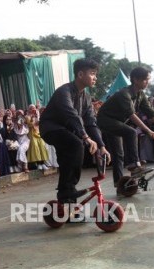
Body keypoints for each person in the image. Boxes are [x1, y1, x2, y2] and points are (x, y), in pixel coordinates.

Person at [39, 58, 110, 203]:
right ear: (80, 74)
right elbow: (71, 115)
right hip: (51, 129)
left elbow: (91, 122)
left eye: (96, 74)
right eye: (92, 73)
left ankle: (67, 204)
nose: (95, 77)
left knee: (67, 161)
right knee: (77, 144)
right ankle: (68, 191)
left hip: (68, 131)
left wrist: (102, 146)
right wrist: (85, 137)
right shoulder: (63, 91)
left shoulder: (87, 97)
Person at [97, 67, 154, 187]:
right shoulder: (124, 94)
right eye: (145, 80)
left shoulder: (140, 94)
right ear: (135, 79)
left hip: (118, 123)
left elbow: (152, 114)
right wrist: (149, 131)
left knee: (119, 155)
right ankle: (134, 165)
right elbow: (132, 115)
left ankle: (121, 185)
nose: (147, 82)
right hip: (106, 120)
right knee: (132, 132)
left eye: (148, 79)